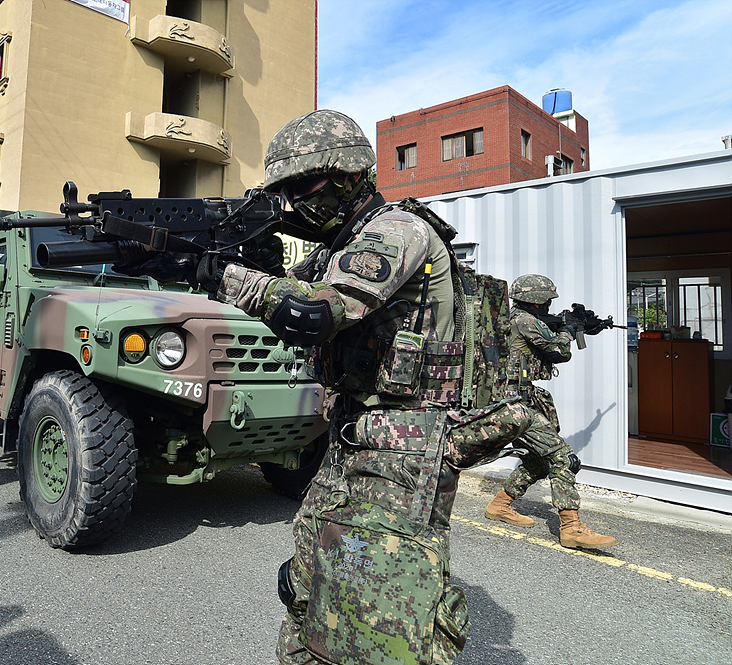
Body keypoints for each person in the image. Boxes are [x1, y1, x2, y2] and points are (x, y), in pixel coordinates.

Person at [201, 109, 544, 665]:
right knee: (311, 585)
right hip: (355, 437)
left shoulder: (396, 232)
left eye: (301, 185)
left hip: (401, 448)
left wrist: (223, 276)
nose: (294, 202)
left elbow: (312, 314)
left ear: (350, 175)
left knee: (377, 625)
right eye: (285, 191)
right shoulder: (342, 244)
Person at [483, 274, 616, 549]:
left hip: (514, 397)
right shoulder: (525, 320)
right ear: (537, 301)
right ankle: (571, 528)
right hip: (515, 402)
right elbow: (560, 351)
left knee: (538, 460)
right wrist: (569, 330)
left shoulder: (515, 318)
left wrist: (585, 326)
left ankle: (500, 505)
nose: (547, 306)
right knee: (563, 458)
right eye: (546, 301)